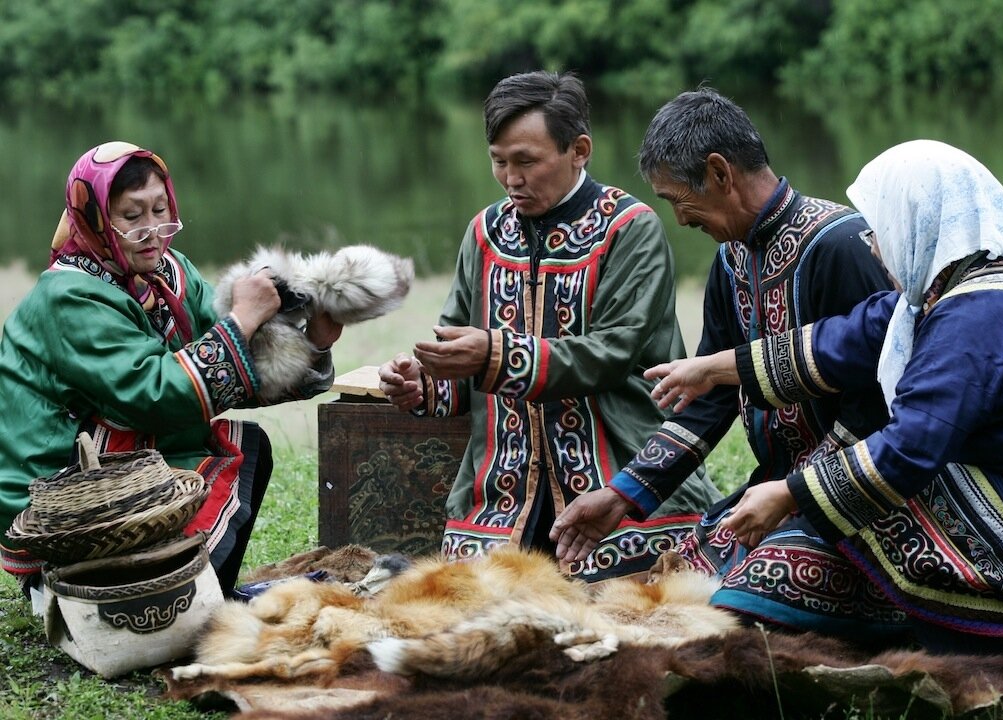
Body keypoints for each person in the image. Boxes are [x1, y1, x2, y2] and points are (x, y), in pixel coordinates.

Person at [643, 139, 1003, 652]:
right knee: (849, 491)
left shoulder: (975, 313)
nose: (873, 244)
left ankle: (977, 636)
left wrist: (791, 492)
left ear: (918, 223)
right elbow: (847, 336)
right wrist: (713, 369)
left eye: (880, 227)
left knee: (875, 496)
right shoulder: (960, 290)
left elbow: (911, 446)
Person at [551, 88, 905, 641]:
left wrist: (795, 493)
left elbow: (880, 411)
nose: (679, 217)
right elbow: (710, 395)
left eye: (676, 199)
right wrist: (623, 494)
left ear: (719, 173)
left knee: (739, 599)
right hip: (771, 491)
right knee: (637, 586)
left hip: (856, 503)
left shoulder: (842, 246)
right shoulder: (730, 258)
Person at [378, 71, 720, 582]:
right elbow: (454, 349)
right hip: (501, 495)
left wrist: (495, 354)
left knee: (630, 605)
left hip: (619, 479)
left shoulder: (630, 228)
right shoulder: (484, 233)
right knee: (472, 609)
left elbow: (613, 353)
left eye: (526, 161)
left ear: (579, 150)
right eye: (498, 161)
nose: (512, 178)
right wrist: (422, 382)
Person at [0, 141, 343, 597]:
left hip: (115, 457)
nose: (153, 230)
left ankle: (202, 596)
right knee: (205, 442)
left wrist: (314, 339)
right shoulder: (69, 295)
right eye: (132, 216)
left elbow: (232, 368)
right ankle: (142, 593)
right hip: (54, 500)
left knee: (247, 446)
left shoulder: (167, 271)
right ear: (96, 218)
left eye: (160, 209)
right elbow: (153, 394)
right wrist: (242, 320)